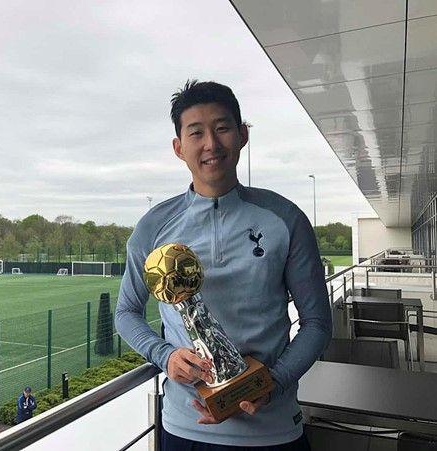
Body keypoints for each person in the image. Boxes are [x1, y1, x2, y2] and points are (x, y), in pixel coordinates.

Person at [115, 80, 332, 450]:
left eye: (222, 128)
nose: (211, 145)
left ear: (243, 135)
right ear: (178, 147)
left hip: (274, 432)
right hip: (185, 431)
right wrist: (165, 356)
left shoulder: (285, 218)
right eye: (196, 132)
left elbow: (317, 323)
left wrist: (272, 383)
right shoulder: (154, 227)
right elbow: (126, 312)